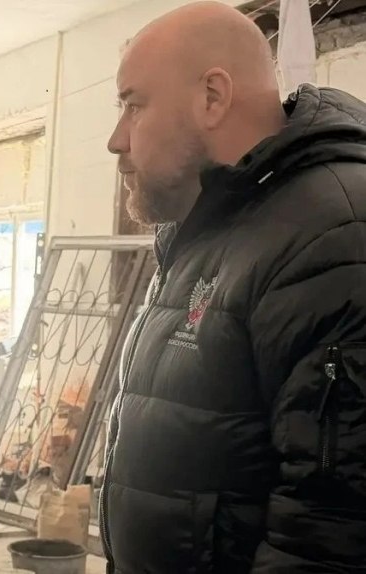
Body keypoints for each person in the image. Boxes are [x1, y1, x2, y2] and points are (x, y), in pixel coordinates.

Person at [102, 1, 366, 572]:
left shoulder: (334, 234)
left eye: (133, 105)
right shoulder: (213, 225)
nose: (116, 140)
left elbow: (328, 534)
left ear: (213, 97)